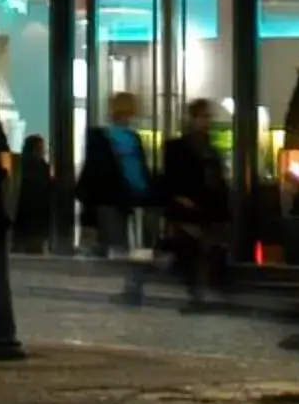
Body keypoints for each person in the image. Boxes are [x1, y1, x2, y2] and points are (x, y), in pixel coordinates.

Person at [161, 99, 231, 300]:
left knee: (206, 249)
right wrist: (179, 199)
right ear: (192, 119)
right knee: (193, 248)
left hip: (208, 210)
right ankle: (193, 288)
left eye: (209, 117)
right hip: (187, 210)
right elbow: (169, 181)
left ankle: (200, 289)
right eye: (203, 117)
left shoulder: (211, 150)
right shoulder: (178, 148)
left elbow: (217, 183)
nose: (207, 122)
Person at [77, 91, 153, 256]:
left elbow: (92, 172)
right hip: (120, 199)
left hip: (105, 199)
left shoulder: (99, 137)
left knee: (108, 246)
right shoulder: (130, 138)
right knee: (119, 247)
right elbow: (136, 173)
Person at [12, 134, 54, 253]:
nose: (43, 151)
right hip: (36, 211)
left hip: (24, 210)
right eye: (40, 148)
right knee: (34, 244)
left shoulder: (20, 164)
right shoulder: (41, 166)